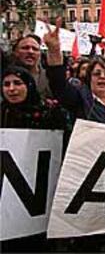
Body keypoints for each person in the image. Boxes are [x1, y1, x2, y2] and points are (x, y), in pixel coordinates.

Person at [43, 18, 105, 252]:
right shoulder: (82, 100)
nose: (102, 77)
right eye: (97, 73)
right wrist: (55, 52)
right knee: (89, 242)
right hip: (87, 186)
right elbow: (58, 85)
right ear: (89, 79)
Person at [1, 66, 66, 252]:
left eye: (17, 83)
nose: (11, 89)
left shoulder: (49, 113)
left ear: (29, 85)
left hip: (38, 199)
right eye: (6, 84)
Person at [11, 34, 53, 99]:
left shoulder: (49, 77)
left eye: (35, 49)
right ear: (15, 52)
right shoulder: (5, 76)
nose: (31, 51)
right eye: (25, 48)